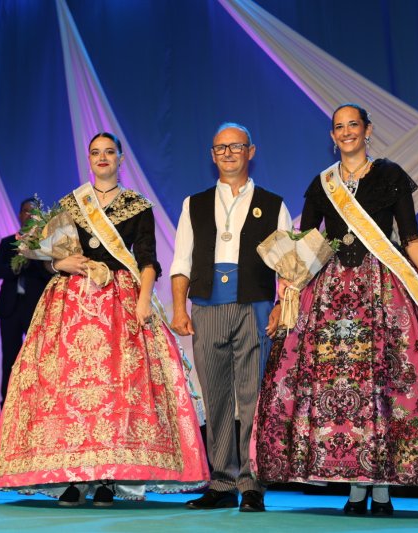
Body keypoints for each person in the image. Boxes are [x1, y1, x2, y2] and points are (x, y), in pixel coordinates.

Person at [252, 104, 418, 516]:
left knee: (382, 383)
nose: (347, 132)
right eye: (339, 127)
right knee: (340, 387)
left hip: (382, 291)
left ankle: (381, 489)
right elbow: (308, 245)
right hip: (330, 297)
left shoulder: (390, 176)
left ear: (368, 130)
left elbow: (411, 234)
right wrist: (285, 300)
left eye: (354, 125)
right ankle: (352, 485)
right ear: (332, 137)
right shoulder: (322, 184)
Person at [0, 132, 209, 506]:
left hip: (120, 300)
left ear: (121, 159)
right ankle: (70, 479)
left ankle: (109, 478)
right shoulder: (71, 204)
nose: (103, 157)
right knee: (65, 389)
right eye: (96, 153)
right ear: (88, 159)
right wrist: (59, 262)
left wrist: (143, 299)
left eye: (110, 152)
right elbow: (51, 256)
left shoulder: (137, 205)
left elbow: (147, 259)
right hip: (71, 300)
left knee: (116, 389)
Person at [169, 122, 292, 513]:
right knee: (217, 395)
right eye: (220, 148)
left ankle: (252, 483)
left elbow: (288, 267)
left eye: (236, 147)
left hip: (255, 305)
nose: (228, 154)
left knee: (252, 395)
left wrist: (279, 307)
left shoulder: (273, 204)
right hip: (206, 306)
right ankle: (221, 482)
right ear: (212, 155)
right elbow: (181, 260)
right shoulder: (195, 203)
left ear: (250, 152)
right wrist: (177, 307)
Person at [0, 198, 53, 401]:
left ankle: (37, 400)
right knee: (9, 357)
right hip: (10, 308)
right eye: (26, 211)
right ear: (19, 214)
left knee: (38, 356)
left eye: (34, 213)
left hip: (35, 308)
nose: (29, 216)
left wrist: (31, 258)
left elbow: (52, 275)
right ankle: (8, 401)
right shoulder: (8, 242)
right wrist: (15, 266)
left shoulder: (46, 244)